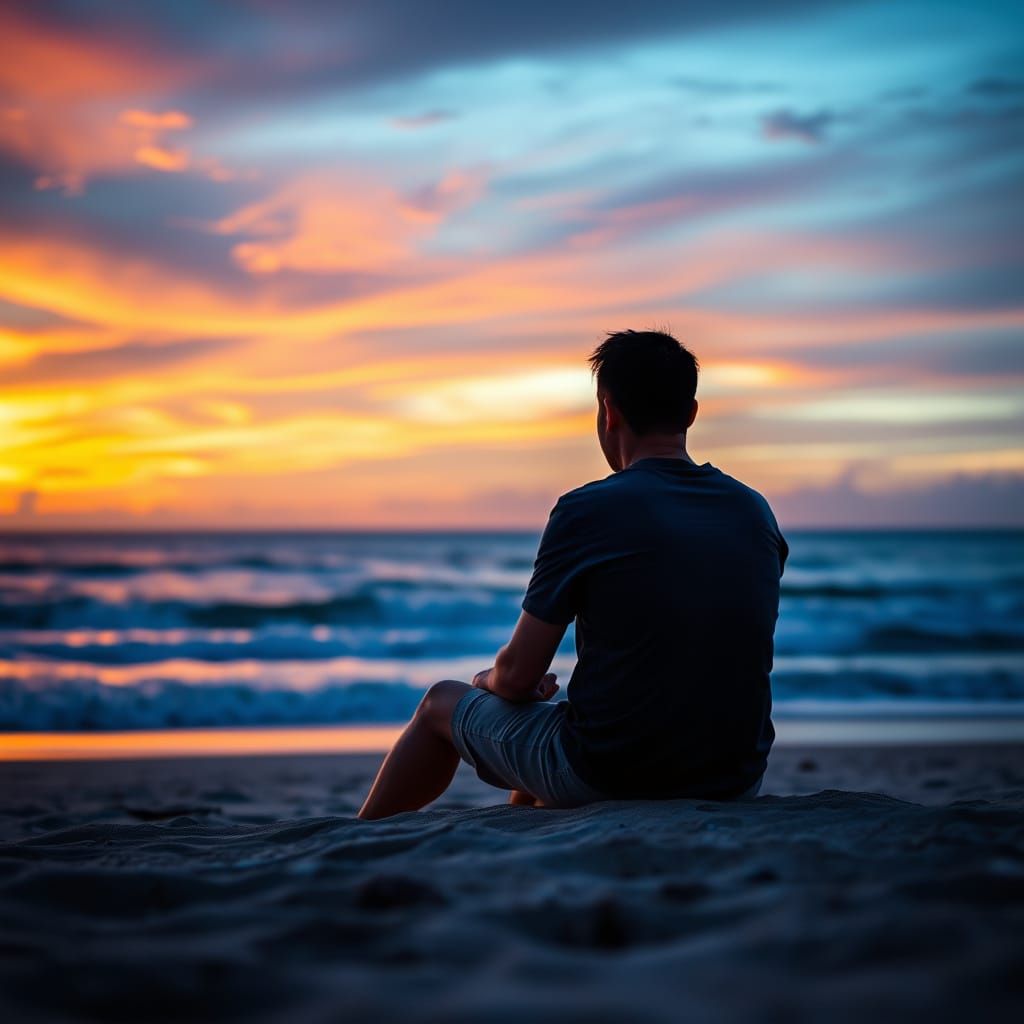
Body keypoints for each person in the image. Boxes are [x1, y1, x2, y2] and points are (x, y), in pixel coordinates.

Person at [358, 329, 788, 820]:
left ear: (609, 411)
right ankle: (530, 821)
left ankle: (360, 835)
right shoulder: (755, 512)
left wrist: (487, 680)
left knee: (439, 702)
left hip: (612, 774)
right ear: (690, 413)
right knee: (557, 723)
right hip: (735, 778)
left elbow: (518, 676)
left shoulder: (589, 510)